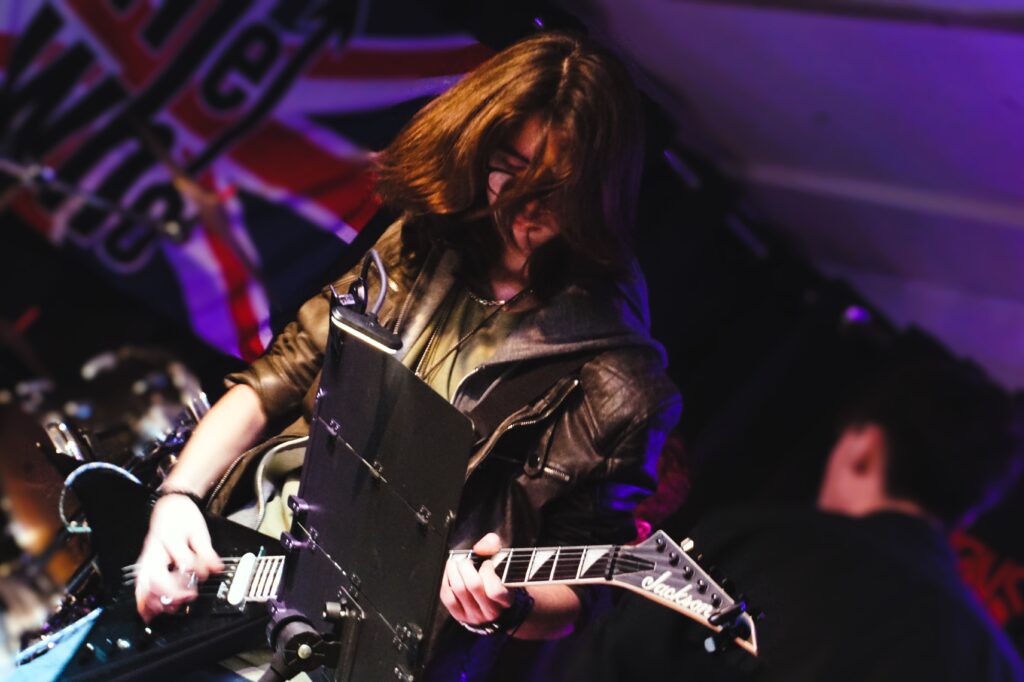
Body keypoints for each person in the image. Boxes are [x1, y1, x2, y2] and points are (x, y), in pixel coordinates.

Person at [132, 30, 681, 679]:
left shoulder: (620, 383)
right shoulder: (424, 241)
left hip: (359, 650)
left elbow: (585, 588)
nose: (521, 205)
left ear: (599, 191)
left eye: (554, 187)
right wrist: (178, 498)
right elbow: (277, 376)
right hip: (234, 561)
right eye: (508, 166)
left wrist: (508, 607)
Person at [567, 356, 1024, 682]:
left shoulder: (751, 543)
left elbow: (612, 662)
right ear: (970, 509)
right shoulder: (995, 667)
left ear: (864, 448)